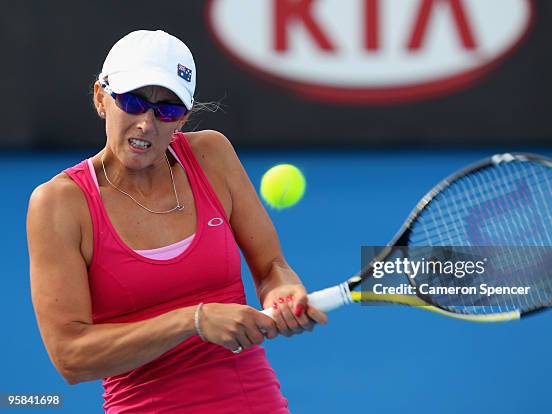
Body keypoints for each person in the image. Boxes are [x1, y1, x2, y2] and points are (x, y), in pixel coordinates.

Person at [26, 29, 327, 413]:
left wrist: (283, 293)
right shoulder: (59, 204)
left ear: (183, 118)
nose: (147, 124)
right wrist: (194, 321)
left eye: (166, 109)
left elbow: (271, 266)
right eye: (133, 101)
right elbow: (70, 357)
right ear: (101, 97)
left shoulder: (212, 156)